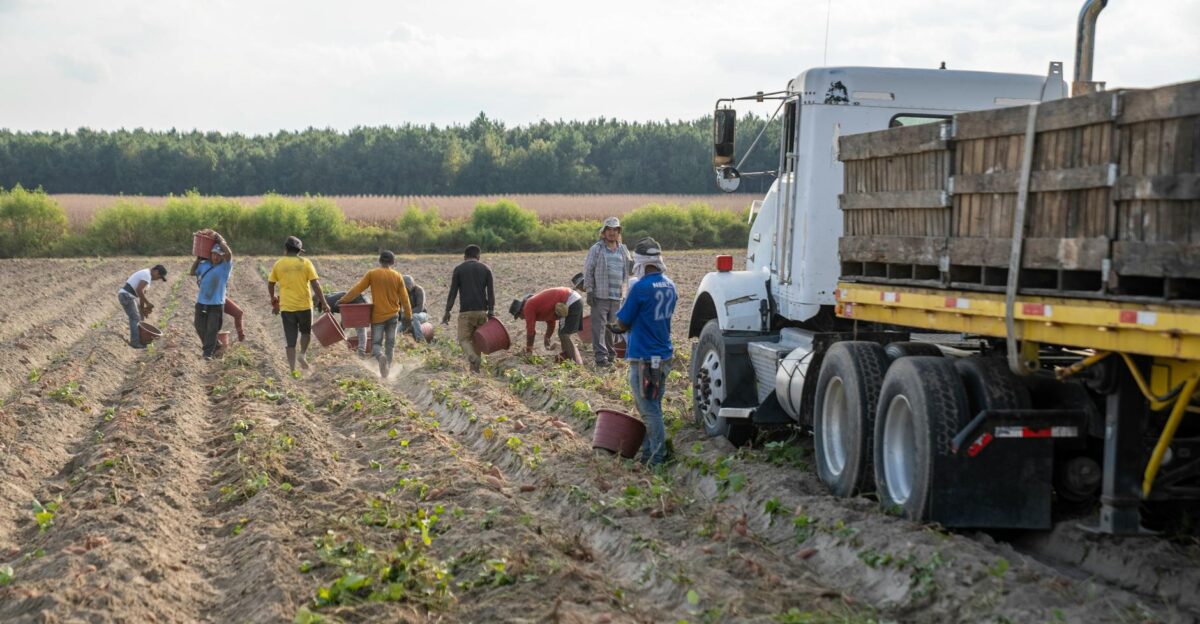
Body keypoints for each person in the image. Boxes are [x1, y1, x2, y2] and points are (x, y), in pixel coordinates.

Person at [608, 237, 677, 467]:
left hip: (645, 358)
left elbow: (624, 321)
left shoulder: (640, 287)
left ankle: (657, 459)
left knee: (648, 410)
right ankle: (648, 454)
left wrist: (616, 327)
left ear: (640, 262)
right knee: (654, 405)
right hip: (663, 354)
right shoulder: (670, 285)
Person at [339, 251, 414, 378]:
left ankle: (380, 357)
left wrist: (343, 300)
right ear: (392, 262)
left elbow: (358, 289)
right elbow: (405, 298)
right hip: (393, 316)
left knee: (376, 344)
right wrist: (408, 315)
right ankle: (387, 370)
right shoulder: (397, 276)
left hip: (378, 317)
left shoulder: (372, 274)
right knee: (390, 344)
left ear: (380, 261)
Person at [267, 236, 329, 376]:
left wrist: (274, 300)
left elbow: (271, 283)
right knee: (306, 332)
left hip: (287, 307)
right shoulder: (305, 263)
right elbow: (315, 284)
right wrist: (324, 303)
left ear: (286, 249)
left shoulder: (279, 264)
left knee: (290, 340)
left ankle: (292, 370)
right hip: (304, 306)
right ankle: (302, 354)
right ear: (299, 251)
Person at [583, 216, 631, 368]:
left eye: (615, 230)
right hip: (600, 295)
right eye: (609, 230)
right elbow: (588, 270)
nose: (612, 233)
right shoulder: (596, 249)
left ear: (618, 232)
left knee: (612, 327)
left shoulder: (623, 249)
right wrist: (589, 290)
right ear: (603, 232)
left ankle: (611, 355)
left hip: (617, 295)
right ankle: (600, 357)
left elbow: (630, 269)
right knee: (599, 327)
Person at [442, 244, 495, 373]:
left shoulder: (459, 269)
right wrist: (491, 310)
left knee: (464, 339)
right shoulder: (486, 269)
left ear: (464, 257)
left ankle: (472, 358)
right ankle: (475, 371)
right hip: (482, 312)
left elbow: (453, 292)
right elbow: (491, 292)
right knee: (477, 340)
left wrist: (447, 311)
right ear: (478, 256)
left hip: (466, 312)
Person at [510, 284, 585, 366]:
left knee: (564, 335)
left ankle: (578, 364)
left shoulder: (528, 306)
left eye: (519, 316)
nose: (521, 318)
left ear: (521, 310)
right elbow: (551, 322)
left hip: (570, 301)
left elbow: (530, 331)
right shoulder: (536, 305)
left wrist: (529, 350)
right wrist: (547, 337)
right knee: (563, 334)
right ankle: (571, 360)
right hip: (573, 300)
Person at [188, 230, 234, 360]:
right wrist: (198, 259)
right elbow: (192, 272)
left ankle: (207, 354)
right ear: (210, 254)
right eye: (213, 254)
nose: (215, 257)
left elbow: (229, 254)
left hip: (216, 304)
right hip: (202, 302)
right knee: (199, 326)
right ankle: (217, 346)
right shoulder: (205, 265)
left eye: (218, 255)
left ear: (221, 256)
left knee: (212, 330)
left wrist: (219, 239)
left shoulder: (225, 267)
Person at [117, 264, 167, 349]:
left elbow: (141, 294)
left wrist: (142, 309)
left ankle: (140, 340)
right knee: (135, 318)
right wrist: (148, 303)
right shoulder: (146, 274)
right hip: (126, 295)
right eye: (159, 276)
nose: (158, 279)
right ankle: (135, 342)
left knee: (140, 317)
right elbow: (139, 290)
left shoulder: (148, 278)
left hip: (129, 296)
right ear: (156, 271)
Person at [319, 290, 368, 358]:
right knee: (360, 328)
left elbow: (327, 321)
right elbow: (344, 316)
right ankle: (361, 351)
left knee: (359, 328)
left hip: (357, 303)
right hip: (364, 301)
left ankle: (361, 352)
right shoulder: (332, 296)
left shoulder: (328, 303)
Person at [400, 274, 429, 340]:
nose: (408, 286)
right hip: (409, 315)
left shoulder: (419, 290)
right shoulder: (404, 292)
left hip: (422, 314)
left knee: (415, 316)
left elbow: (420, 308)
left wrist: (407, 314)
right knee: (398, 330)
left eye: (409, 284)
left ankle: (420, 339)